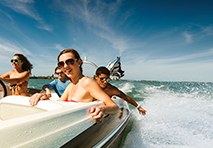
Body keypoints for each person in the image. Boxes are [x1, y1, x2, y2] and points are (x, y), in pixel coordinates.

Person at [29, 48, 119, 123]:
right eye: (61, 64)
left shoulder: (87, 83)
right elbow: (59, 103)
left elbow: (115, 107)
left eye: (70, 62)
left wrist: (102, 109)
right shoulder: (71, 85)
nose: (65, 66)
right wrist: (43, 97)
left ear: (79, 62)